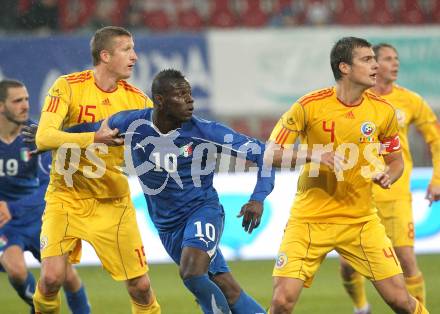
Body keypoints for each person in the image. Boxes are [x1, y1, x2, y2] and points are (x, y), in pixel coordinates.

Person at [66, 68, 275, 314]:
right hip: (167, 228)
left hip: (202, 212)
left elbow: (266, 155)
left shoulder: (206, 132)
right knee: (226, 288)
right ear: (160, 100)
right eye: (180, 95)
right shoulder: (132, 124)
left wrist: (258, 198)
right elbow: (91, 130)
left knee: (192, 272)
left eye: (189, 93)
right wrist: (50, 136)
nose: (190, 100)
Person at [264, 37, 429, 313]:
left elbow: (396, 161)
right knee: (281, 301)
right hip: (309, 220)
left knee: (401, 301)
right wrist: (313, 155)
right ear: (344, 67)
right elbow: (270, 154)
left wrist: (390, 175)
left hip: (361, 221)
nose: (375, 65)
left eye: (375, 59)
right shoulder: (308, 106)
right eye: (367, 60)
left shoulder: (383, 111)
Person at [33, 26, 160, 313]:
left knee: (140, 287)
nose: (135, 56)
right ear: (105, 55)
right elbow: (44, 137)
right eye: (127, 49)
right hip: (66, 198)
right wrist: (94, 137)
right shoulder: (67, 86)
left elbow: (161, 140)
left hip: (113, 204)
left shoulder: (138, 100)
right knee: (51, 278)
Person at [339, 43, 440, 314]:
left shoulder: (411, 101)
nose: (395, 64)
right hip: (359, 194)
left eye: (396, 58)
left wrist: (437, 178)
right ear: (372, 64)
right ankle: (361, 308)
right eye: (387, 59)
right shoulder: (355, 100)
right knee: (348, 266)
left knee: (407, 260)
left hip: (395, 194)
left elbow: (435, 138)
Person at [0, 79, 90, 314]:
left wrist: (12, 206)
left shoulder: (37, 136)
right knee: (17, 270)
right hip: (5, 225)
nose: (25, 105)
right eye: (17, 100)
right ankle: (40, 307)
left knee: (67, 276)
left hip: (40, 218)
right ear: (1, 106)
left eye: (27, 99)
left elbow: (50, 184)